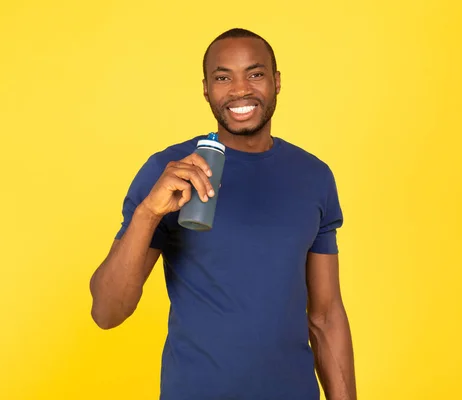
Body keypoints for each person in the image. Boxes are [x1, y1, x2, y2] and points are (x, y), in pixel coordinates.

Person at [89, 28, 357, 400]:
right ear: (206, 89)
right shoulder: (169, 171)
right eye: (223, 77)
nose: (240, 89)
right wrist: (149, 212)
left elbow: (326, 316)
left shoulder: (314, 176)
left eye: (255, 73)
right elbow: (107, 312)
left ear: (277, 82)